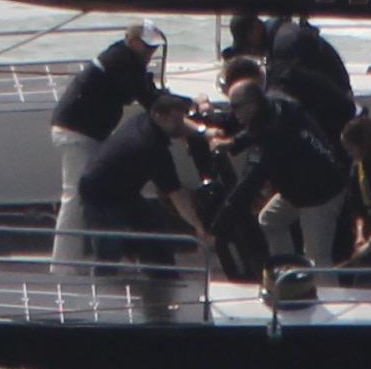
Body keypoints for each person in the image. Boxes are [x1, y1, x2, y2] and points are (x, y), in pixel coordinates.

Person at [71, 89, 211, 316]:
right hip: (99, 193)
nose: (180, 126)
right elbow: (176, 194)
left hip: (125, 191)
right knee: (109, 248)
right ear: (159, 116)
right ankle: (98, 303)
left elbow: (180, 128)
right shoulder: (151, 147)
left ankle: (167, 282)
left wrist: (204, 133)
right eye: (176, 120)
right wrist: (199, 227)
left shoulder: (143, 119)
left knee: (154, 233)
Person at [45, 25, 167, 266]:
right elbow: (148, 99)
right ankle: (63, 266)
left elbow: (145, 92)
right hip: (76, 132)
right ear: (131, 41)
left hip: (87, 132)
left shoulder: (125, 60)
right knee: (76, 197)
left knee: (92, 192)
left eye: (154, 47)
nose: (150, 51)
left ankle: (109, 251)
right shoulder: (122, 61)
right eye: (147, 45)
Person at [224, 64, 354, 277]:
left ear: (253, 104)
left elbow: (254, 177)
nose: (233, 112)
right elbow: (255, 131)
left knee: (317, 257)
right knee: (270, 220)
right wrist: (233, 142)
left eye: (236, 106)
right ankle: (286, 273)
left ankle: (329, 300)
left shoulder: (277, 133)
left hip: (320, 194)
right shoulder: (276, 103)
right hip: (298, 189)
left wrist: (224, 217)